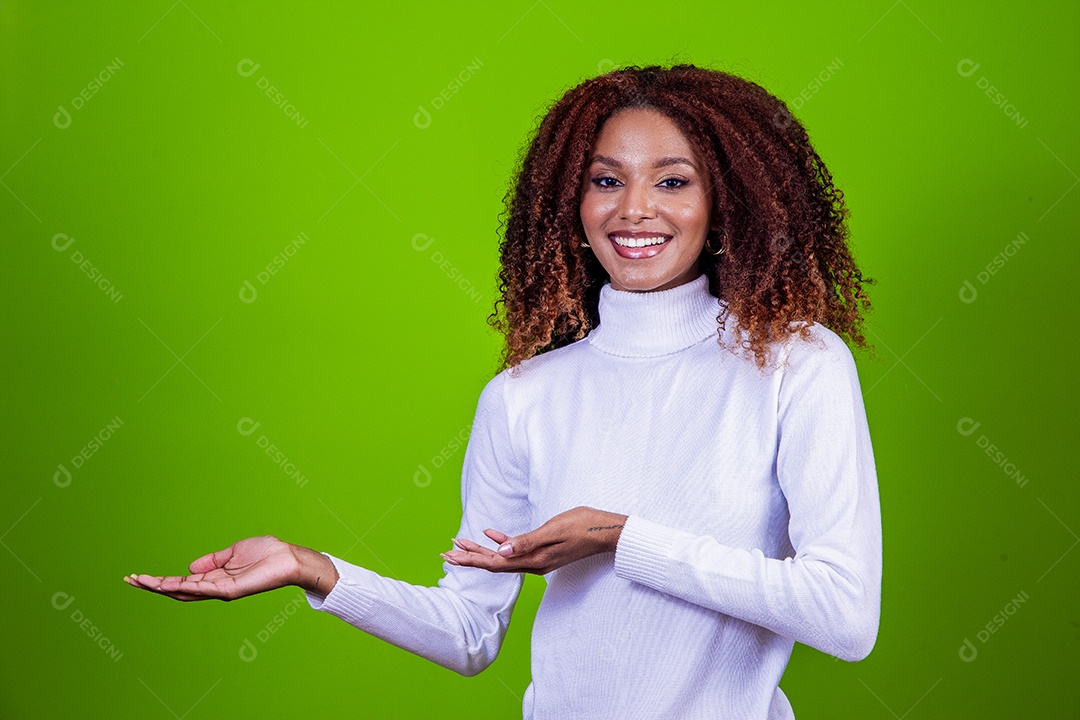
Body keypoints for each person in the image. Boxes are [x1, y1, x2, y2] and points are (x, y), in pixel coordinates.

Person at [127, 63, 882, 719]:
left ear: (727, 201)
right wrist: (314, 568)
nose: (635, 210)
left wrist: (621, 536)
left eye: (674, 181)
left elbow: (844, 616)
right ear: (571, 202)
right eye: (606, 180)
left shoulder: (797, 364)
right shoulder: (525, 396)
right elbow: (468, 632)